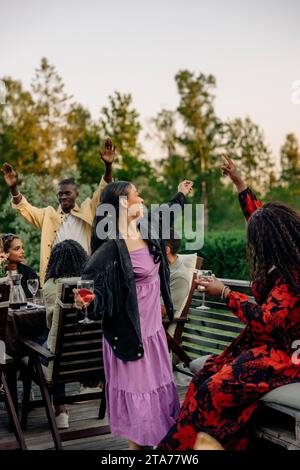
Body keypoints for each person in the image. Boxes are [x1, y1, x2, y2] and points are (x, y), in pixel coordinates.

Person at [158, 156, 300, 450]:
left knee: (215, 388)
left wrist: (225, 293)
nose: (255, 246)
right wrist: (239, 181)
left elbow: (266, 320)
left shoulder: (293, 275)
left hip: (287, 353)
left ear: (269, 241)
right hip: (264, 346)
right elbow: (258, 217)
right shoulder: (282, 250)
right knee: (202, 378)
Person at [75, 179, 193, 449]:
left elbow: (170, 211)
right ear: (123, 204)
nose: (142, 199)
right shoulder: (111, 245)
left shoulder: (147, 226)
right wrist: (86, 302)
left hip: (153, 335)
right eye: (137, 195)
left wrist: (181, 193)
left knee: (158, 407)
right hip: (129, 335)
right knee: (141, 412)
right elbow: (92, 287)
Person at [1, 139, 115, 285]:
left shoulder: (88, 208)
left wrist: (108, 166)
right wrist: (14, 189)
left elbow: (103, 189)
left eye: (67, 193)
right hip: (55, 278)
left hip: (85, 274)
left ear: (77, 194)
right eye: (60, 194)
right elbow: (26, 208)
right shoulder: (48, 215)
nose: (63, 197)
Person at [41, 239, 89, 429]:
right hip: (92, 356)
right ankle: (94, 383)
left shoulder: (51, 286)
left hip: (62, 358)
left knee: (49, 344)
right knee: (59, 343)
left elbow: (49, 323)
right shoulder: (91, 284)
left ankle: (61, 410)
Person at [161, 229, 192, 337]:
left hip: (154, 329)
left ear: (166, 250)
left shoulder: (179, 277)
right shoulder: (159, 269)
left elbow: (162, 312)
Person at [0, 233, 38, 298]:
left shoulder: (29, 273)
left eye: (22, 248)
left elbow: (35, 296)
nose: (22, 251)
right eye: (17, 249)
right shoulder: (1, 272)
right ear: (4, 252)